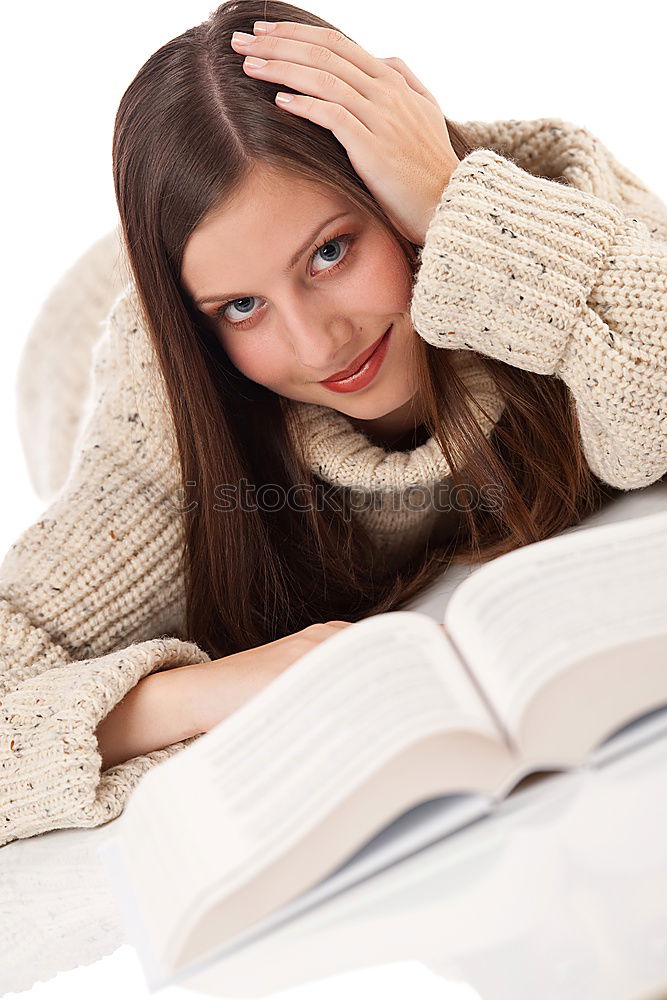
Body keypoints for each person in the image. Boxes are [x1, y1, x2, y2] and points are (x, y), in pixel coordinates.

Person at [2, 0, 666, 849]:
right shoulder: (162, 427)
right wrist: (189, 694)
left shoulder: (548, 203)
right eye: (243, 307)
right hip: (80, 343)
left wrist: (452, 199)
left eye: (331, 252)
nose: (318, 343)